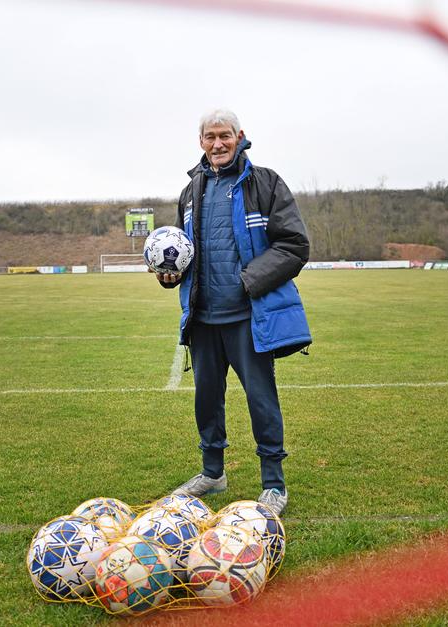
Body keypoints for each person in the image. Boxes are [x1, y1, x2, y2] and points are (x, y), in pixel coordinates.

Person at [155, 108, 311, 516]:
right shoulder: (191, 192)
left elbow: (295, 245)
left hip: (249, 317)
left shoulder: (265, 183)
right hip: (203, 318)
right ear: (201, 141)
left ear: (240, 136)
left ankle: (273, 483)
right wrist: (169, 275)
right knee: (207, 400)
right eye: (210, 137)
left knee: (261, 398)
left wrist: (248, 281)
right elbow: (180, 251)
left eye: (225, 135)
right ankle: (212, 472)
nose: (218, 144)